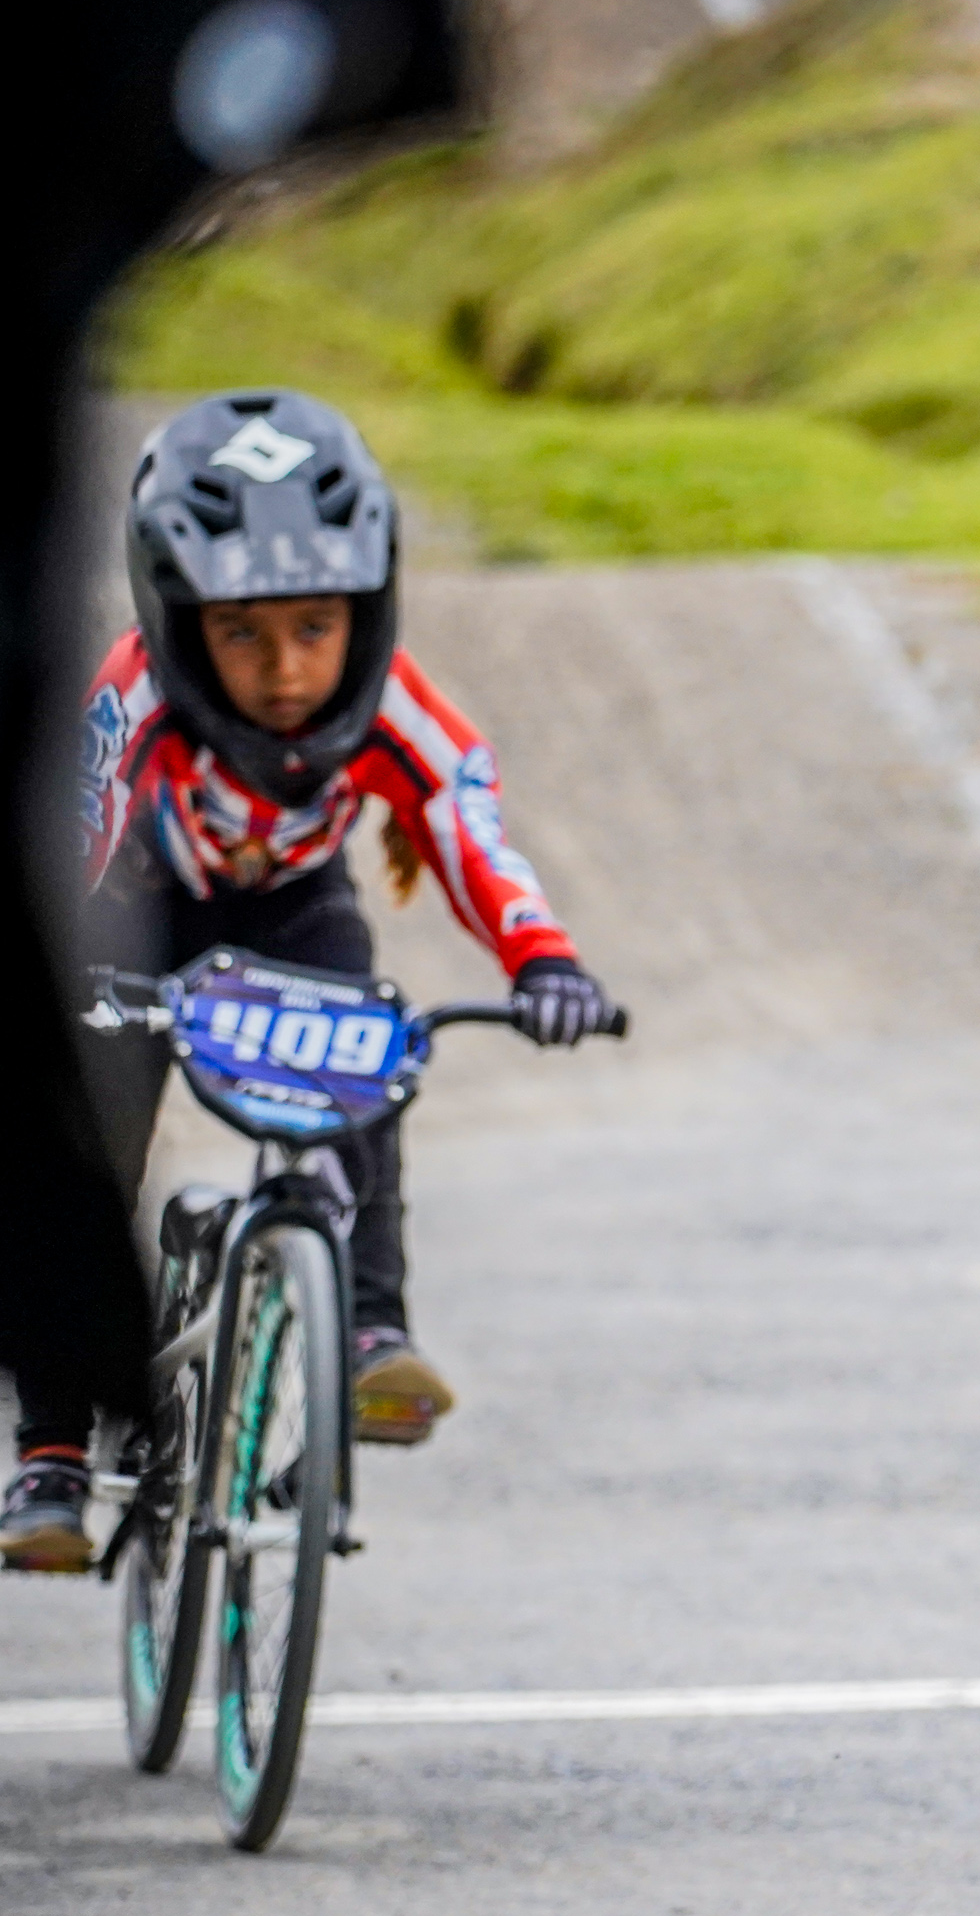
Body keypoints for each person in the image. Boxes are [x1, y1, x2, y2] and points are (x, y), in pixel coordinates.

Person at [0, 390, 610, 1571]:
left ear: (367, 612)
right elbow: (64, 844)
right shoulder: (128, 699)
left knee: (370, 1066)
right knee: (90, 1133)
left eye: (317, 626)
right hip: (133, 915)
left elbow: (469, 825)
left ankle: (372, 1327)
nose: (286, 671)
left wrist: (545, 961)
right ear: (177, 620)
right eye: (241, 633)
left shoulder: (393, 706)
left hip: (294, 912)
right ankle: (54, 1450)